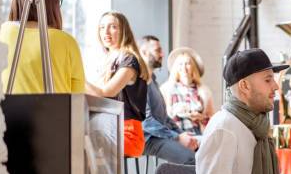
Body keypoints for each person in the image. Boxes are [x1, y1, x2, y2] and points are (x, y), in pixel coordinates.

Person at [0, 0, 85, 94]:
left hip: (4, 112)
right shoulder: (67, 42)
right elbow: (78, 97)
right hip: (57, 112)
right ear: (53, 4)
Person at [86, 11, 150, 158]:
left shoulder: (129, 60)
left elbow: (106, 92)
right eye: (102, 27)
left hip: (127, 134)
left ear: (124, 31)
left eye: (112, 26)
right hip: (108, 127)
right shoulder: (105, 61)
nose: (106, 32)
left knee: (79, 143)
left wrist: (75, 76)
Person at [139, 36, 199, 164]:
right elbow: (147, 122)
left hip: (160, 136)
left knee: (200, 152)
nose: (162, 54)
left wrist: (183, 135)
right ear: (143, 53)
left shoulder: (153, 81)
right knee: (190, 159)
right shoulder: (139, 82)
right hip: (148, 139)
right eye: (157, 50)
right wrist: (177, 138)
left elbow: (164, 118)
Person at [160, 47, 215, 137]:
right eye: (180, 64)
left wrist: (200, 117)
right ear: (175, 67)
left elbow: (213, 119)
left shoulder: (204, 92)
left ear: (193, 67)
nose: (184, 68)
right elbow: (160, 116)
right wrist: (173, 113)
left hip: (198, 136)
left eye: (187, 64)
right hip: (175, 136)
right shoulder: (166, 89)